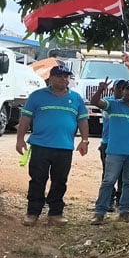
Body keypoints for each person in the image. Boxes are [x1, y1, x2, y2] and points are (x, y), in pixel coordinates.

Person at [17, 65, 89, 226]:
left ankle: (55, 213)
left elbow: (83, 120)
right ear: (51, 78)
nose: (64, 79)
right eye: (60, 76)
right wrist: (20, 139)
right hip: (40, 146)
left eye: (66, 76)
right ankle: (33, 212)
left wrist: (84, 140)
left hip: (64, 147)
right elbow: (25, 119)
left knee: (60, 180)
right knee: (37, 179)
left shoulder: (76, 98)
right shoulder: (37, 96)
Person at [89, 79, 129, 224]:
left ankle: (125, 211)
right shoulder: (114, 105)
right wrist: (100, 90)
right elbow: (95, 102)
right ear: (122, 91)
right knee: (108, 181)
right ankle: (99, 212)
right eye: (128, 89)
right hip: (114, 152)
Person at [96, 79, 127, 213]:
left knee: (124, 175)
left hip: (125, 144)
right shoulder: (108, 102)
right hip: (107, 143)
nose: (120, 90)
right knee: (108, 174)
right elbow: (96, 103)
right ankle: (108, 200)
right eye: (118, 87)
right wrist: (100, 90)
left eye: (123, 88)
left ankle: (121, 200)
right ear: (113, 88)